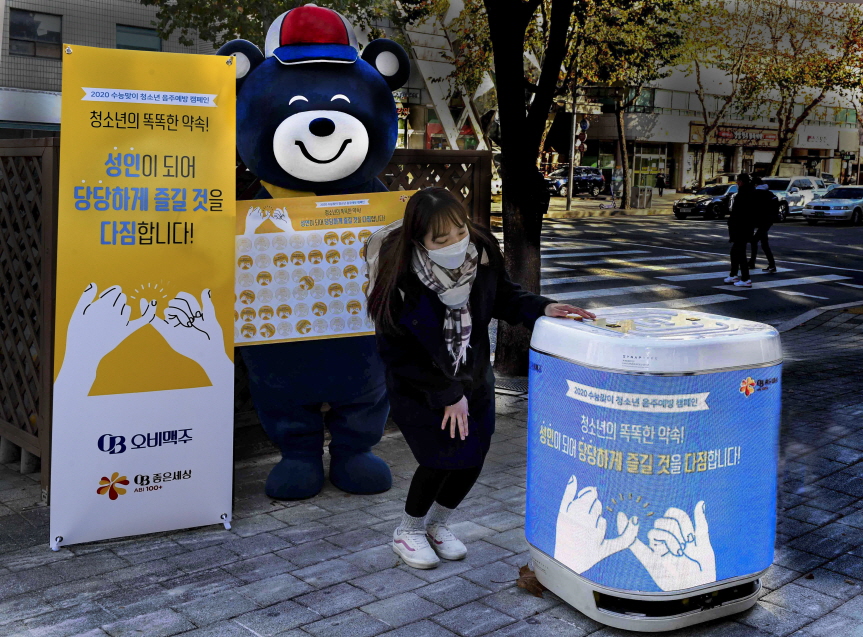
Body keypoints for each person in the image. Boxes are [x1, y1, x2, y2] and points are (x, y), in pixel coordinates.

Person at [367, 188, 594, 569]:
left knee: (473, 457)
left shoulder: (482, 252)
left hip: (473, 377)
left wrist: (543, 308)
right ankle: (408, 531)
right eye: (441, 239)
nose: (455, 243)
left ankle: (437, 525)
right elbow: (396, 351)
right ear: (418, 239)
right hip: (423, 385)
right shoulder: (401, 276)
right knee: (441, 458)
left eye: (459, 231)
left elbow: (503, 296)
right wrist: (445, 394)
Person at [724, 173, 757, 287]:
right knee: (735, 252)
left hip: (742, 228)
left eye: (738, 181)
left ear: (742, 181)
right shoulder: (748, 192)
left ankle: (746, 278)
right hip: (743, 227)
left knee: (740, 253)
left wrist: (733, 224)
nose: (737, 183)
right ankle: (734, 275)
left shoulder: (745, 194)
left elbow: (740, 213)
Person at [749, 176, 778, 274]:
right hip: (767, 221)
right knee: (764, 243)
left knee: (754, 241)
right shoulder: (770, 194)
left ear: (755, 185)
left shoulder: (756, 194)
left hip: (761, 221)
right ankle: (771, 264)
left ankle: (753, 262)